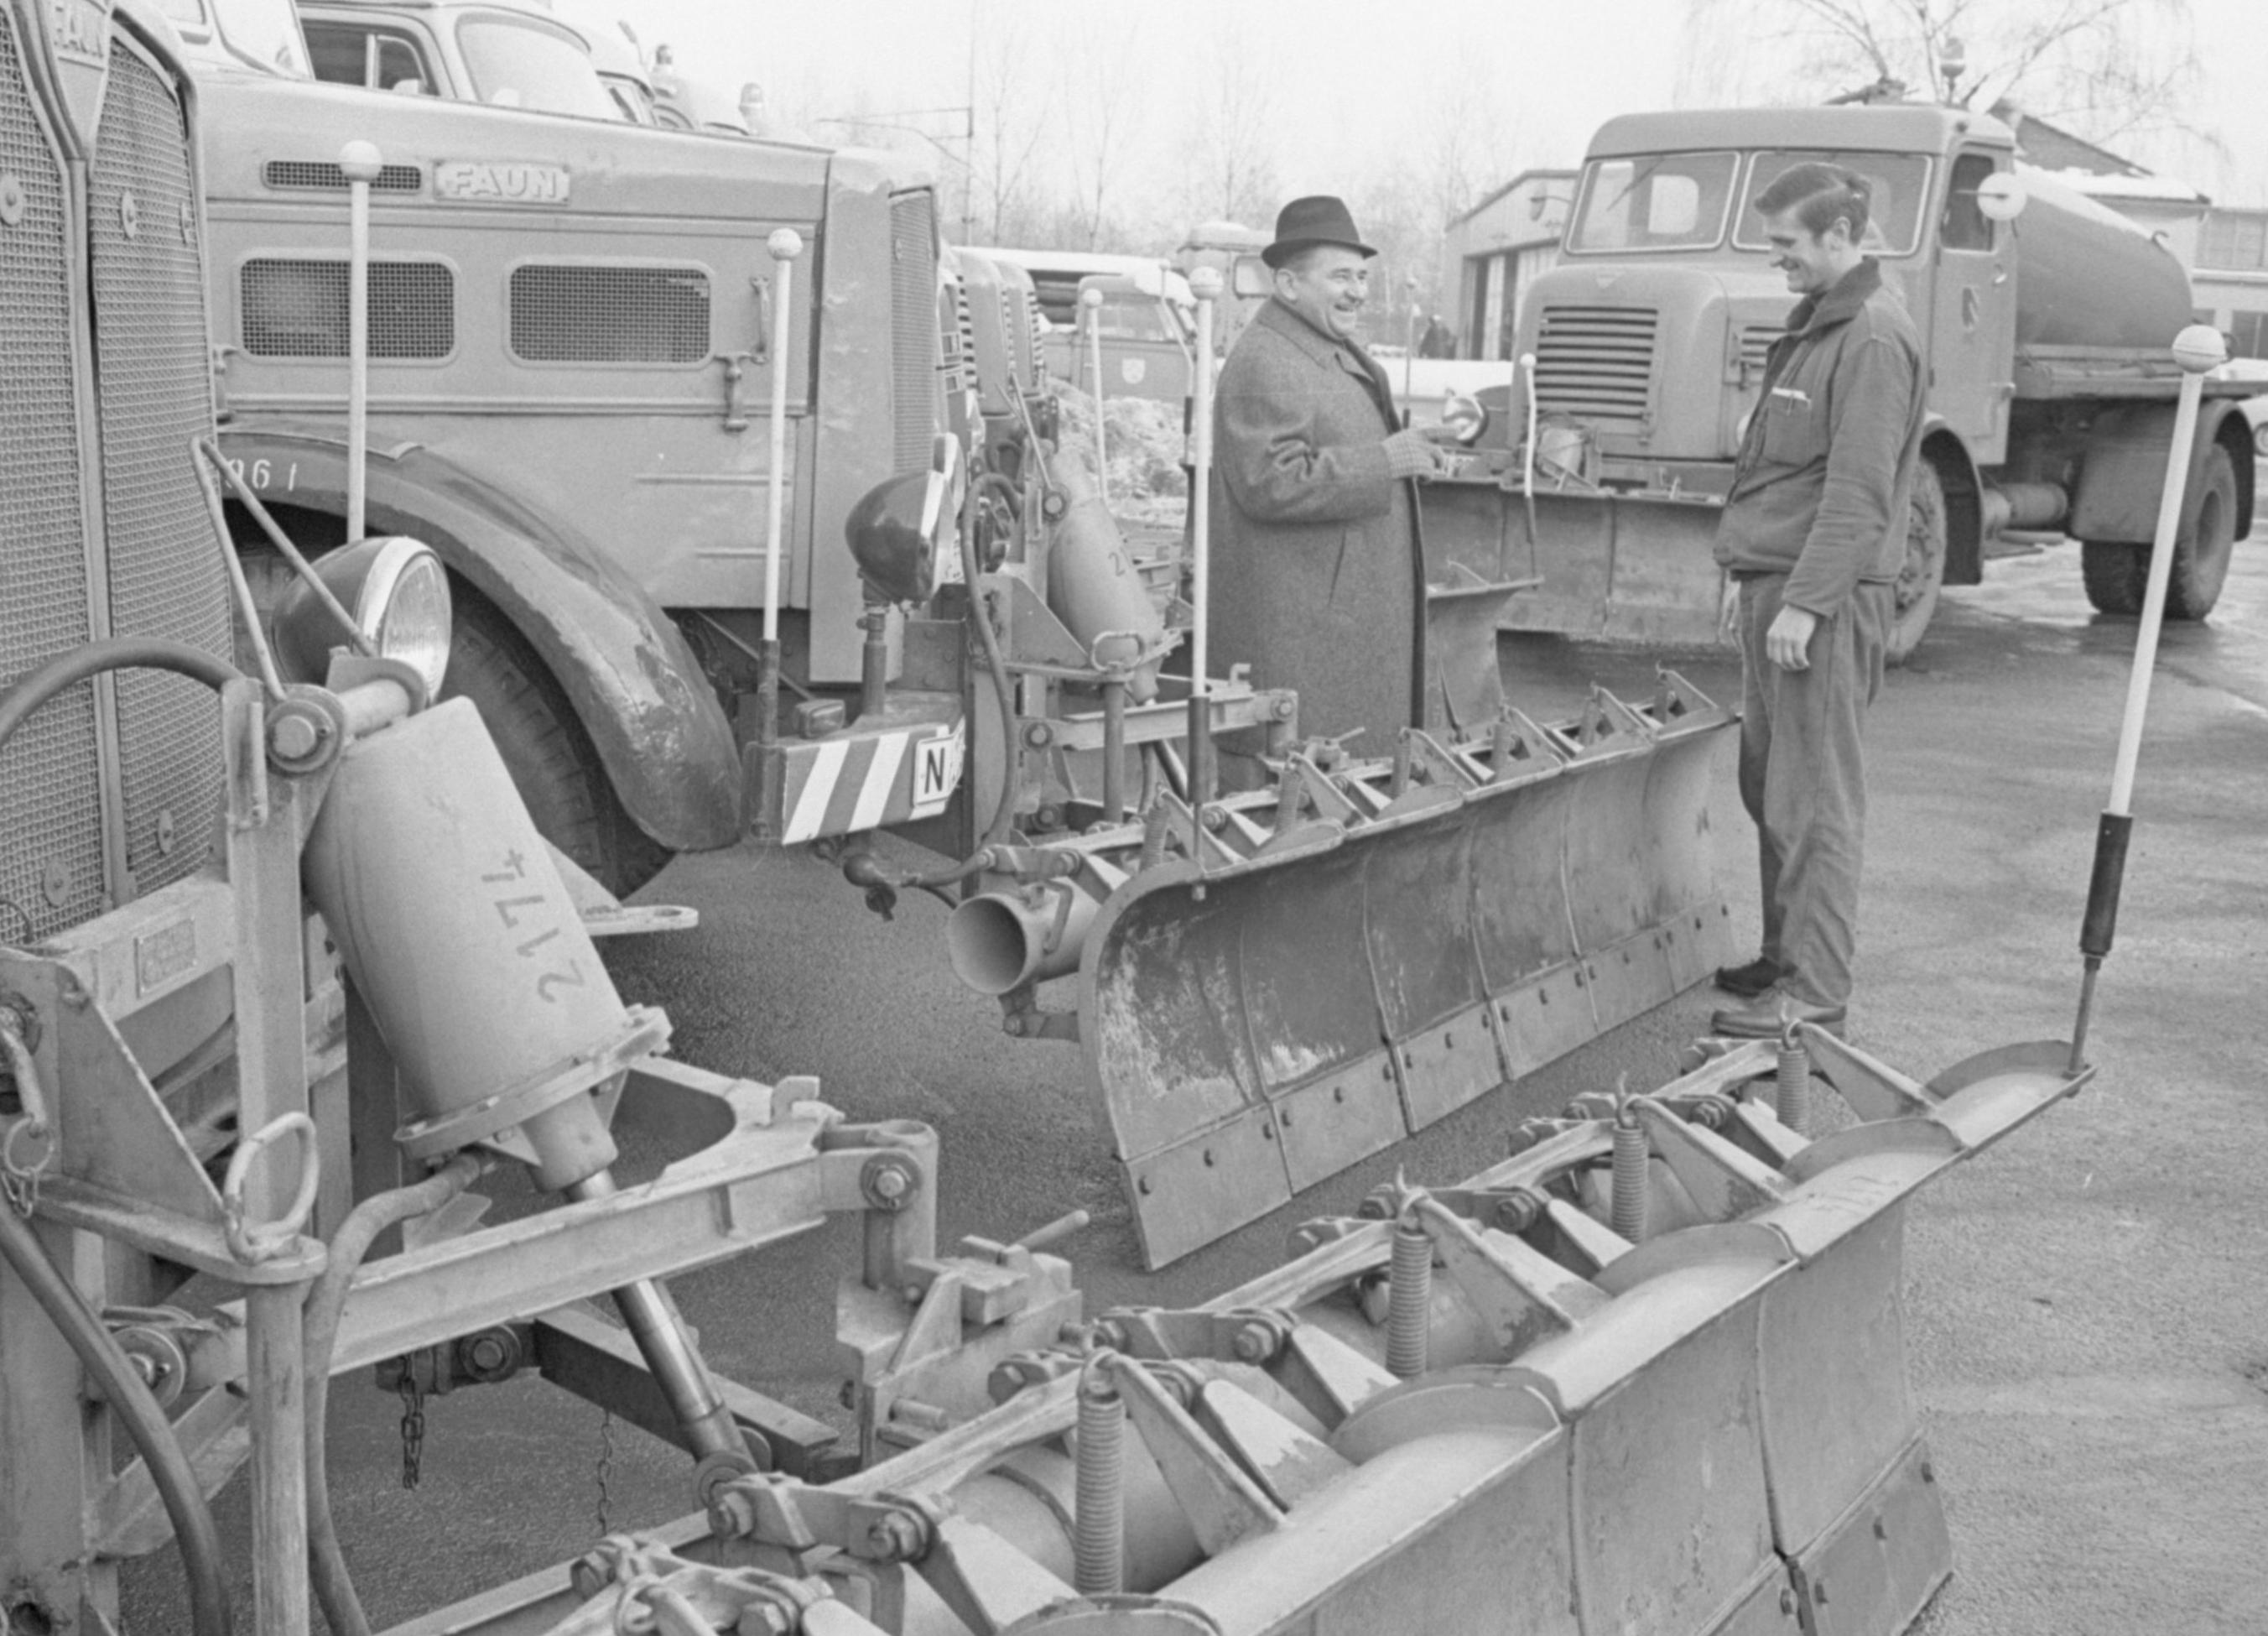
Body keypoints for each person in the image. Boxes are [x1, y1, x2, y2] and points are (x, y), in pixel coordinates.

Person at [1709, 162, 1924, 1037]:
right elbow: (1777, 470)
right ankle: (1784, 959)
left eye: (1787, 244)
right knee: (1771, 784)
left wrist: (1805, 601)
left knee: (1817, 796)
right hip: (1780, 585)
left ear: (1840, 236)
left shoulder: (1870, 337)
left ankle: (1816, 995)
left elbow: (1859, 490)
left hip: (1819, 607)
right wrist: (1747, 579)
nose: (1777, 261)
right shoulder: (1819, 329)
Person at [1208, 195, 1445, 771]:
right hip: (1306, 640)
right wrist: (1384, 462)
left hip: (1337, 628)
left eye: (1362, 276)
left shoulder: (1319, 348)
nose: (1358, 291)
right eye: (1341, 276)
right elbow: (1269, 481)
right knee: (1294, 798)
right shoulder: (1266, 360)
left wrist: (1407, 455)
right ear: (1288, 284)